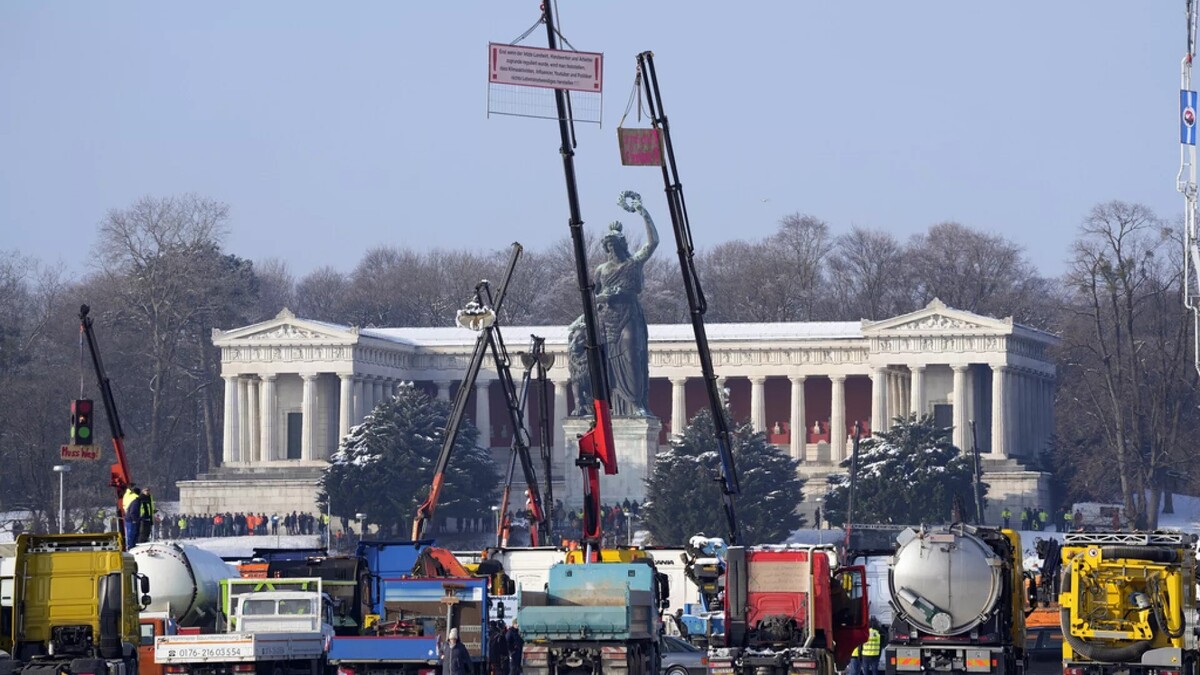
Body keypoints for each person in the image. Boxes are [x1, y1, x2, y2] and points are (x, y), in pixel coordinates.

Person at [593, 191, 659, 416]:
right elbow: (592, 297)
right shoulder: (601, 270)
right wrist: (604, 297)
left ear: (622, 245)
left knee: (632, 356)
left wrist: (643, 212)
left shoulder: (634, 262)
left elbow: (653, 242)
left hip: (629, 315)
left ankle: (636, 402)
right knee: (608, 363)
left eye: (614, 246)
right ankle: (615, 405)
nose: (611, 251)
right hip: (608, 319)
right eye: (608, 247)